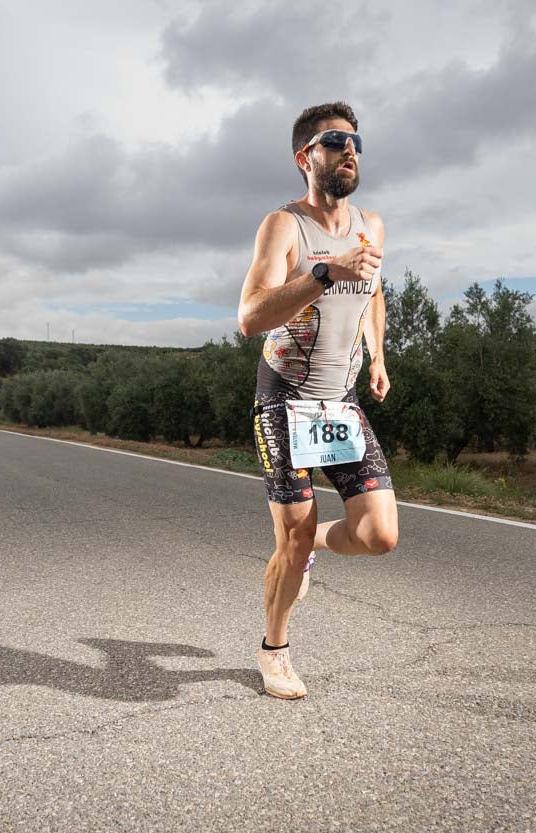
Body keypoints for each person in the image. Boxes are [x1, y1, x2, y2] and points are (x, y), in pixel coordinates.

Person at [237, 102, 399, 700]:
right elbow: (250, 317)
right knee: (291, 537)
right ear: (307, 157)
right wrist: (326, 272)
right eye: (336, 142)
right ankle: (273, 649)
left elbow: (374, 291)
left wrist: (379, 355)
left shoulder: (372, 226)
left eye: (356, 142)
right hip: (286, 401)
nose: (350, 151)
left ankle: (308, 551)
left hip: (342, 402)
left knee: (380, 535)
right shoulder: (284, 227)